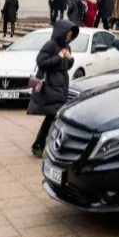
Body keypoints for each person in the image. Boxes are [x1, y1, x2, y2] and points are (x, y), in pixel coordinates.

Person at [27, 20, 76, 158]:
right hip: (50, 86)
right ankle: (40, 145)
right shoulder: (50, 45)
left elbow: (67, 66)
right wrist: (58, 57)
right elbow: (41, 61)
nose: (70, 35)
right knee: (52, 117)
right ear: (62, 32)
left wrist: (69, 58)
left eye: (71, 33)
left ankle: (43, 144)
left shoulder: (67, 47)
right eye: (68, 32)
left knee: (53, 117)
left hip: (62, 86)